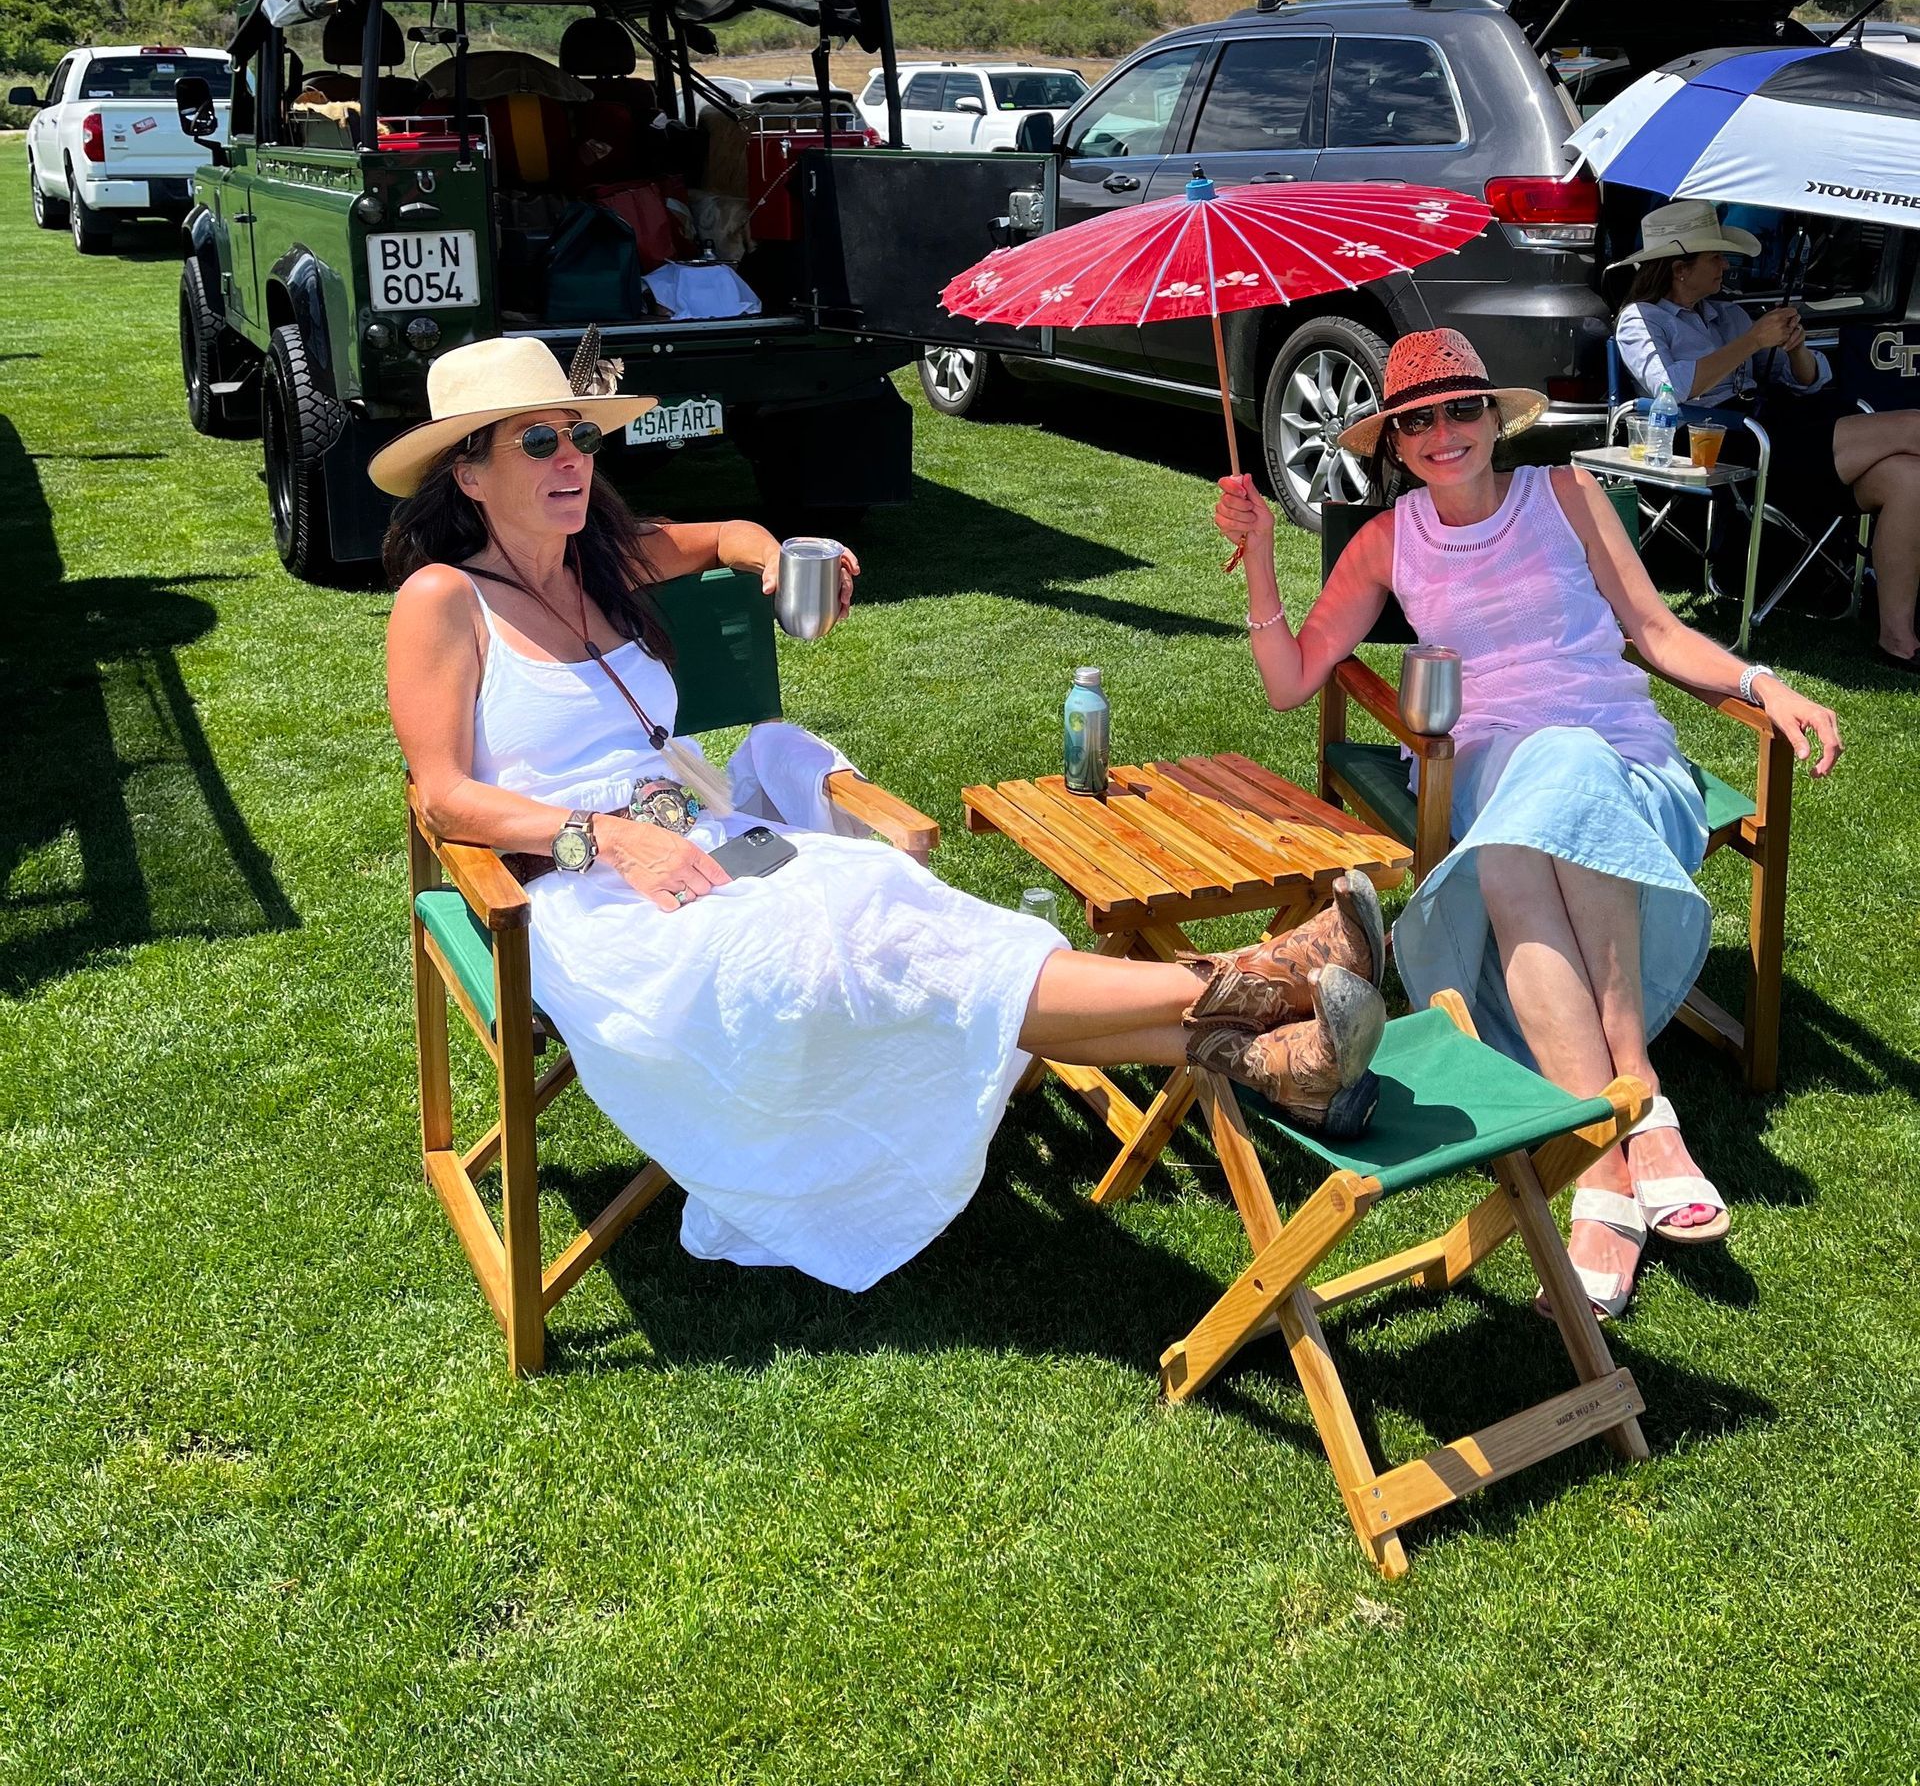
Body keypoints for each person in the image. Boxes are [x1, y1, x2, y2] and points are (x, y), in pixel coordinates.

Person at [378, 334, 1391, 1296]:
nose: (571, 461)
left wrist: (773, 555)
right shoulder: (445, 599)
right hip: (591, 896)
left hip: (719, 843)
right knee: (828, 948)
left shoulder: (607, 558)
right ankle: (1248, 995)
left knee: (873, 889)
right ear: (468, 472)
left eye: (582, 435)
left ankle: (1257, 1040)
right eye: (539, 440)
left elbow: (727, 532)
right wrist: (603, 836)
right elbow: (443, 794)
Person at [1215, 327, 1842, 1320]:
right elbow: (1293, 679)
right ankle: (1636, 1110)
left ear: (1495, 417)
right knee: (1533, 800)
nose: (1441, 432)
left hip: (1625, 763)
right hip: (1499, 775)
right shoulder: (1389, 539)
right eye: (1415, 421)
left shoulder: (1565, 495)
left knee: (1541, 810)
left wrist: (1768, 686)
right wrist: (1257, 558)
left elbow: (1656, 631)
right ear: (1394, 443)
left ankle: (1600, 1157)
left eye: (1460, 410)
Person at [1613, 198, 1920, 670]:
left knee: (1907, 477)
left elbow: (1809, 381)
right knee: (1912, 425)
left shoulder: (1727, 314)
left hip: (1770, 427)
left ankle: (1897, 642)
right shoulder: (1641, 318)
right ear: (1679, 268)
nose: (1725, 264)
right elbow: (1670, 387)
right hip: (1715, 442)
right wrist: (1752, 341)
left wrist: (1793, 347)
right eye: (1715, 256)